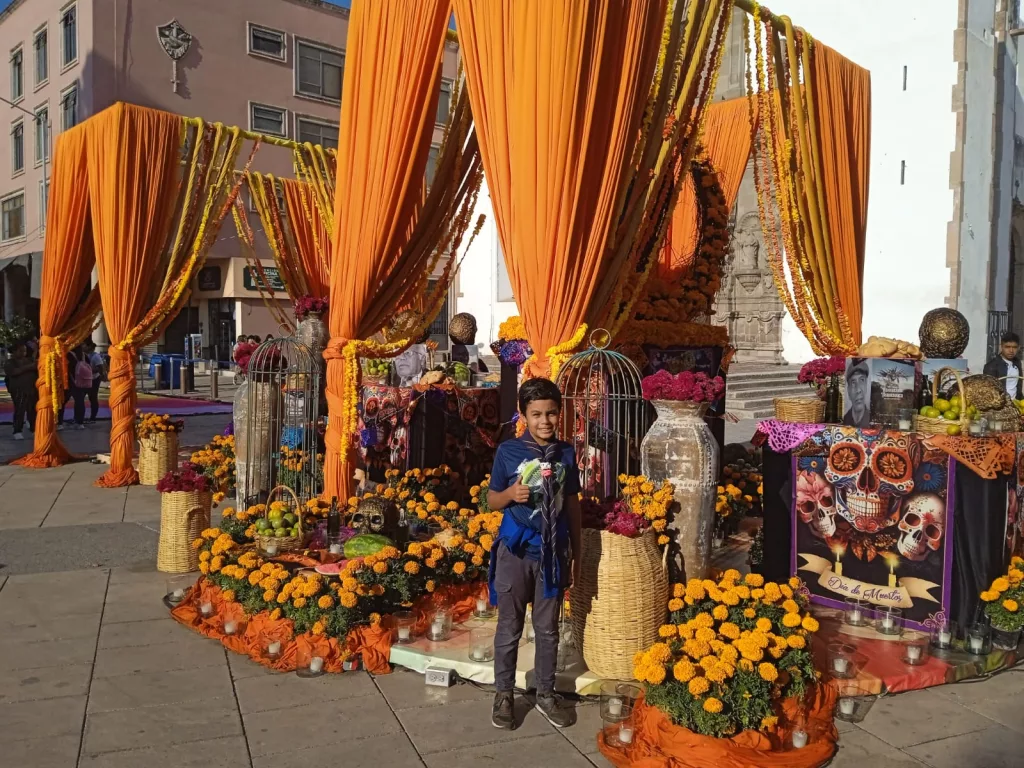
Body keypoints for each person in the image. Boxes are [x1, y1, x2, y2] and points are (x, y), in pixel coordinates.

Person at [486, 378, 581, 731]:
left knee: (548, 629)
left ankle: (545, 693)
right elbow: (491, 500)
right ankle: (503, 694)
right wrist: (510, 494)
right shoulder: (508, 451)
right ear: (523, 415)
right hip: (515, 553)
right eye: (536, 414)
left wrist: (576, 551)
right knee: (509, 627)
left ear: (560, 413)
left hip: (551, 554)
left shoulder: (566, 453)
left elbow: (572, 504)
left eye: (551, 413)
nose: (545, 421)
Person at [4, 341, 37, 440]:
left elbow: (36, 366)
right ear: (14, 352)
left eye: (24, 351)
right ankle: (17, 430)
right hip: (18, 390)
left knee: (32, 410)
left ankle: (33, 429)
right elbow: (14, 372)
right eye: (21, 351)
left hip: (31, 389)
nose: (23, 353)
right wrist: (29, 367)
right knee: (20, 410)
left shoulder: (29, 360)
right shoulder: (10, 362)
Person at [984, 332, 1023, 400]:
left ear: (1018, 348)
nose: (1011, 350)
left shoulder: (1017, 362)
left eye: (1014, 347)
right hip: (1001, 403)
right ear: (1001, 346)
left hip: (1016, 402)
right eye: (1007, 347)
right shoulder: (991, 366)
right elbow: (989, 391)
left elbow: (1018, 386)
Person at [843, 358, 870, 427]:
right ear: (848, 390)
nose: (858, 390)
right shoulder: (845, 419)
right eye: (853, 382)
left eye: (862, 380)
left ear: (866, 386)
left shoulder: (872, 420)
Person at [69, 347, 91, 429]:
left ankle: (59, 423)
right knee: (80, 401)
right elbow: (89, 365)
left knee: (63, 402)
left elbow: (68, 368)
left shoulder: (69, 355)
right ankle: (80, 422)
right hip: (83, 381)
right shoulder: (84, 355)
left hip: (72, 381)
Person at [85, 341, 106, 423]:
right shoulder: (84, 354)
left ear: (89, 347)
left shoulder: (95, 356)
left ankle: (93, 417)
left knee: (93, 398)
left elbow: (100, 368)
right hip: (85, 379)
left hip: (94, 379)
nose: (83, 347)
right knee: (82, 397)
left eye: (84, 345)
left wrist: (89, 371)